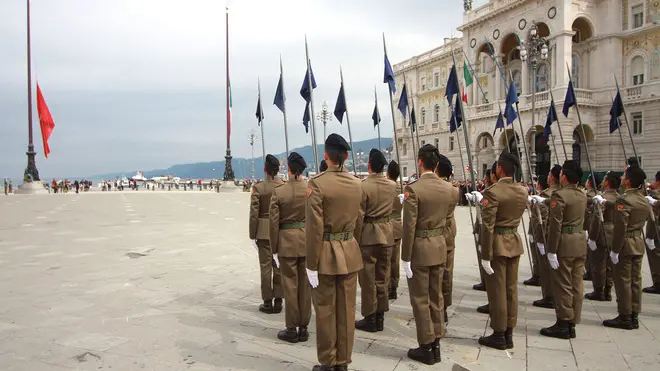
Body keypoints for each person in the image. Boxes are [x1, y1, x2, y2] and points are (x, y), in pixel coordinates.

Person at [305, 133, 363, 371]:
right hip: (350, 252)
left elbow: (314, 228)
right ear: (346, 156)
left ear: (326, 156)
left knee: (326, 311)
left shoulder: (317, 184)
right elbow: (359, 221)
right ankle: (343, 361)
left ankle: (328, 361)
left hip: (326, 255)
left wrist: (311, 264)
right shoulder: (357, 184)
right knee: (347, 311)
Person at [401, 144, 453, 365]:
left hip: (421, 249)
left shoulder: (414, 189)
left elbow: (409, 226)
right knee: (437, 297)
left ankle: (426, 345)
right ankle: (437, 343)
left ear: (420, 162)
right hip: (440, 247)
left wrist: (405, 257)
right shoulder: (450, 189)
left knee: (421, 299)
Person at [473, 152, 528, 350]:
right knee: (511, 289)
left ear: (500, 169)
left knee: (497, 291)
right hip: (514, 240)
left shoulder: (493, 192)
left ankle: (498, 332)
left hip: (497, 243)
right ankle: (509, 332)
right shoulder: (522, 190)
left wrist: (485, 255)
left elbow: (488, 226)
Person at [540, 160, 587, 339]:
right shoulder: (582, 194)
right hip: (579, 242)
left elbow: (555, 225)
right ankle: (573, 321)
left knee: (563, 285)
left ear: (564, 177)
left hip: (565, 244)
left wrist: (551, 250)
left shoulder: (559, 196)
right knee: (577, 284)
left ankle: (563, 322)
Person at [269, 152, 311, 343]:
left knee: (290, 286)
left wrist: (274, 248)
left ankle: (291, 327)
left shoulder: (279, 191)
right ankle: (304, 327)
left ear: (289, 168)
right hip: (307, 240)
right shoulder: (311, 189)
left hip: (286, 243)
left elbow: (273, 223)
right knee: (305, 287)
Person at [603, 165, 651, 330]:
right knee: (635, 281)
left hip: (625, 244)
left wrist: (615, 250)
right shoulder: (643, 199)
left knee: (623, 281)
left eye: (624, 176)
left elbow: (620, 228)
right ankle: (634, 314)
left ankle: (624, 315)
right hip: (637, 242)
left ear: (629, 181)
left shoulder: (624, 200)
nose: (622, 178)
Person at [354, 149, 395, 333]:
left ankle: (370, 317)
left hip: (369, 235)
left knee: (368, 279)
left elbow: (359, 216)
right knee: (383, 276)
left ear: (369, 164)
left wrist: (355, 239)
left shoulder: (363, 186)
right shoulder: (392, 185)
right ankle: (381, 316)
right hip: (387, 233)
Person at [249, 154, 284, 314]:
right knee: (278, 267)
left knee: (265, 267)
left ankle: (267, 301)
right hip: (280, 231)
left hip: (263, 232)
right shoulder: (283, 186)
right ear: (278, 170)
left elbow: (254, 213)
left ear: (265, 169)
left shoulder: (258, 188)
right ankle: (279, 299)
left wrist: (252, 234)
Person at [530, 164, 563, 310]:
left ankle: (549, 296)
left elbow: (540, 219)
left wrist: (539, 238)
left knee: (546, 267)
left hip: (548, 235)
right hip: (563, 236)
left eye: (549, 174)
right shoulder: (563, 193)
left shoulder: (546, 195)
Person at [586, 172, 620, 301]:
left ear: (607, 182)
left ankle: (599, 290)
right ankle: (608, 290)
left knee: (599, 264)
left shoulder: (602, 198)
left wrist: (593, 237)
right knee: (610, 265)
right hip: (615, 232)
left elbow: (596, 219)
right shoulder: (619, 197)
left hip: (603, 231)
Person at [435, 154, 458, 324]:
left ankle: (437, 305)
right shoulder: (454, 189)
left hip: (439, 230)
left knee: (437, 271)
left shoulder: (439, 188)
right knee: (447, 271)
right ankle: (444, 306)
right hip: (450, 230)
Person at [387, 161, 403, 300]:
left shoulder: (387, 187)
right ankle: (394, 286)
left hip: (387, 224)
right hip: (398, 224)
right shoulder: (402, 188)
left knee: (386, 260)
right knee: (395, 260)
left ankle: (387, 286)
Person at [643, 171, 660, 294]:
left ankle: (658, 283)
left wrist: (654, 202)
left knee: (655, 257)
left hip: (656, 231)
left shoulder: (656, 195)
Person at [583, 175, 600, 281]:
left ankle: (589, 271)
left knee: (589, 252)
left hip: (588, 226)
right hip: (593, 226)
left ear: (589, 183)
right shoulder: (597, 194)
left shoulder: (588, 195)